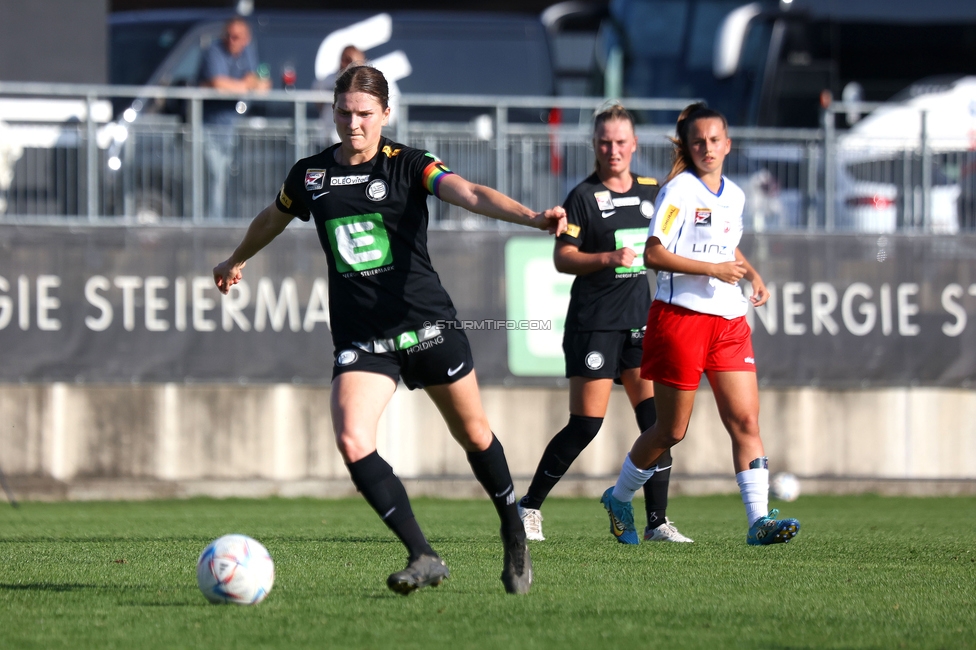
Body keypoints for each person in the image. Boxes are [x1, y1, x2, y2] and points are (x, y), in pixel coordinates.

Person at [213, 65, 566, 595]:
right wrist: (236, 258)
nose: (352, 124)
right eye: (343, 113)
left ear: (384, 114)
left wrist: (533, 217)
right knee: (353, 439)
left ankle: (512, 526)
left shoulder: (409, 165)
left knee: (473, 433)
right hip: (362, 338)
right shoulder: (310, 175)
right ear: (332, 112)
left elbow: (468, 192)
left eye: (363, 114)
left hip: (426, 324)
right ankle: (422, 553)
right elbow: (273, 217)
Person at [599, 103, 801, 546]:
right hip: (681, 320)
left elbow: (727, 247)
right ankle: (618, 498)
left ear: (727, 144)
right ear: (688, 148)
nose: (707, 148)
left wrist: (750, 273)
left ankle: (758, 520)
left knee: (746, 420)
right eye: (698, 142)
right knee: (671, 430)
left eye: (715, 140)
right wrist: (712, 271)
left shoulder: (736, 194)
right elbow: (653, 253)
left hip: (729, 322)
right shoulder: (679, 192)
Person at [517, 104, 691, 545]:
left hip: (641, 324)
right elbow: (562, 257)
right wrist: (607, 259)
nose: (613, 150)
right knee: (585, 425)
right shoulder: (582, 196)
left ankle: (657, 522)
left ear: (634, 145)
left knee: (656, 422)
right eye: (604, 142)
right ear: (594, 145)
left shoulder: (655, 191)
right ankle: (528, 507)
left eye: (620, 142)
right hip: (594, 323)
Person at [198, 17, 271, 218]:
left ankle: (231, 221)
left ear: (246, 39)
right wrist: (246, 85)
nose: (232, 40)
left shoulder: (248, 53)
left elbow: (263, 84)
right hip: (211, 127)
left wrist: (249, 84)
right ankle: (214, 225)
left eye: (237, 36)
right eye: (228, 35)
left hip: (235, 128)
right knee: (215, 177)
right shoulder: (214, 51)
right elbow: (218, 84)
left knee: (232, 179)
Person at [313, 45, 367, 145]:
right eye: (342, 59)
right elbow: (318, 102)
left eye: (349, 60)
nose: (344, 63)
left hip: (354, 138)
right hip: (327, 137)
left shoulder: (368, 83)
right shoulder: (327, 80)